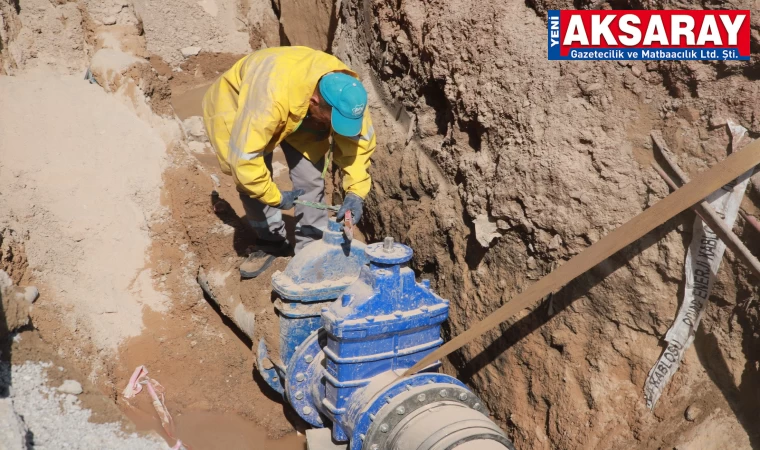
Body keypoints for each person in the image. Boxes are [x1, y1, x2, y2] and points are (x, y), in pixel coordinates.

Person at [202, 47, 376, 278]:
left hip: (298, 105)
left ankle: (312, 248)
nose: (337, 128)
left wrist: (356, 192)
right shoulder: (267, 102)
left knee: (310, 178)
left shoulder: (349, 95)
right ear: (315, 102)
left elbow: (358, 145)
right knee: (252, 183)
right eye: (333, 120)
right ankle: (271, 241)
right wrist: (274, 197)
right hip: (243, 105)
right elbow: (246, 162)